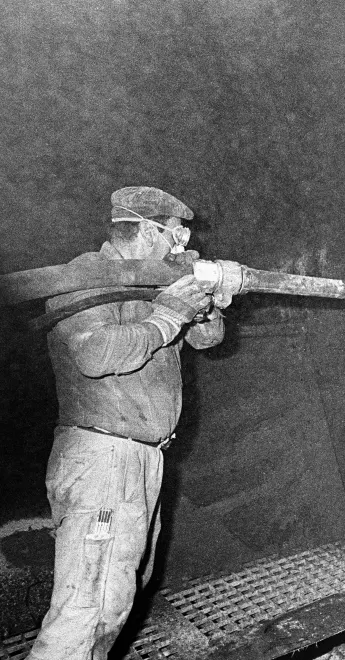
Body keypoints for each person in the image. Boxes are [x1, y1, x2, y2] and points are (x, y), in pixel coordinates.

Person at [27, 186, 226, 660]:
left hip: (140, 458)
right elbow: (95, 355)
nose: (181, 245)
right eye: (175, 235)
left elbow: (208, 340)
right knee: (89, 606)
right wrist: (168, 314)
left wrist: (207, 303)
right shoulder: (87, 276)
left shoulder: (150, 280)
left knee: (119, 595)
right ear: (145, 229)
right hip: (104, 457)